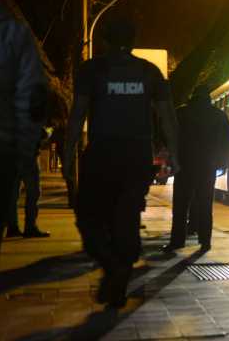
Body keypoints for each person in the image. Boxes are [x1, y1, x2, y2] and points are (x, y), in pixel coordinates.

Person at [63, 17, 179, 308]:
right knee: (126, 217)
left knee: (89, 218)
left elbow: (77, 116)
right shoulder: (149, 73)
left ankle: (113, 269)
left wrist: (67, 155)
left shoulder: (92, 70)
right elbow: (167, 117)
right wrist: (174, 153)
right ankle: (120, 275)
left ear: (104, 40)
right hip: (137, 156)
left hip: (102, 154)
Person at [0, 0, 47, 252]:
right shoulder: (15, 35)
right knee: (29, 188)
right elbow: (30, 96)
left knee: (11, 191)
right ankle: (28, 225)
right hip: (15, 140)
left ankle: (15, 225)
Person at [162, 84, 229, 253]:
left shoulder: (181, 113)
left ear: (192, 97)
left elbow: (169, 135)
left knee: (180, 206)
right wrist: (223, 163)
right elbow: (228, 142)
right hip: (208, 167)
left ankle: (177, 241)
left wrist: (173, 159)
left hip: (184, 166)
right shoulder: (219, 116)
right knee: (205, 204)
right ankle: (205, 241)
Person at [6, 127, 49, 238]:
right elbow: (41, 131)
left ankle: (12, 226)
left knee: (13, 193)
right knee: (33, 191)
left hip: (11, 154)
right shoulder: (30, 113)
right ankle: (30, 226)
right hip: (28, 153)